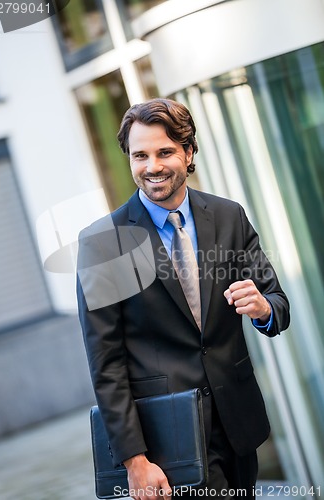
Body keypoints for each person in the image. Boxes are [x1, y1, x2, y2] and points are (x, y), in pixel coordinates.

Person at [76, 98, 290, 499]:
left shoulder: (228, 217)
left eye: (165, 152)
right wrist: (134, 460)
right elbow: (105, 363)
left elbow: (276, 303)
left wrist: (263, 309)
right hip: (167, 441)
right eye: (140, 155)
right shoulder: (105, 244)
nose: (152, 166)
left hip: (237, 424)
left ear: (189, 152)